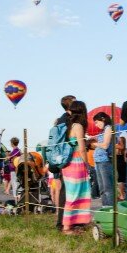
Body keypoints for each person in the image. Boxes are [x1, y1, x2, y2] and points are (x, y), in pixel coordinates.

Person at [61, 100, 92, 235]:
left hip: (68, 165)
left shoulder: (69, 125)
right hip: (76, 163)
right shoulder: (78, 126)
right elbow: (82, 149)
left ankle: (75, 223)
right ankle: (66, 227)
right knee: (75, 195)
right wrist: (87, 164)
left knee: (75, 194)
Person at [53, 95, 76, 230]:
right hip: (67, 157)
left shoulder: (60, 120)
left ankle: (64, 221)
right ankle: (63, 223)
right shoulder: (68, 120)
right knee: (66, 191)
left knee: (65, 190)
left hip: (61, 157)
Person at [92, 112, 115, 207]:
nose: (96, 125)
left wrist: (94, 144)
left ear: (103, 119)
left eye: (97, 122)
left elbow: (105, 145)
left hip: (105, 161)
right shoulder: (103, 131)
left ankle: (110, 209)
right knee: (102, 188)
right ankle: (105, 207)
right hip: (99, 161)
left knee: (107, 188)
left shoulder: (109, 128)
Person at [115, 129, 127, 200]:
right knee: (123, 180)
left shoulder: (116, 148)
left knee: (120, 180)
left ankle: (122, 195)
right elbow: (126, 159)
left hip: (118, 165)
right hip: (124, 165)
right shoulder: (125, 149)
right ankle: (123, 195)